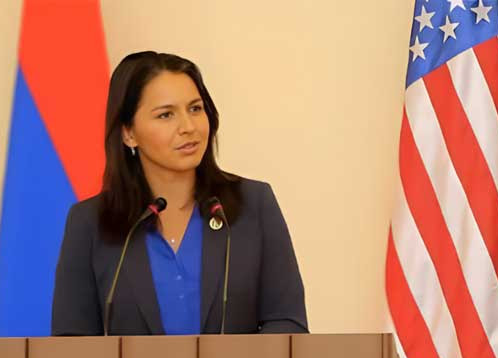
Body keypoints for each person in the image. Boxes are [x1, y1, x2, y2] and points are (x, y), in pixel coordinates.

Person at [51, 51, 308, 336]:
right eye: (166, 115)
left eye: (195, 109)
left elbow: (287, 323)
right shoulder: (89, 223)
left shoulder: (253, 204)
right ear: (128, 134)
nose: (188, 127)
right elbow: (71, 345)